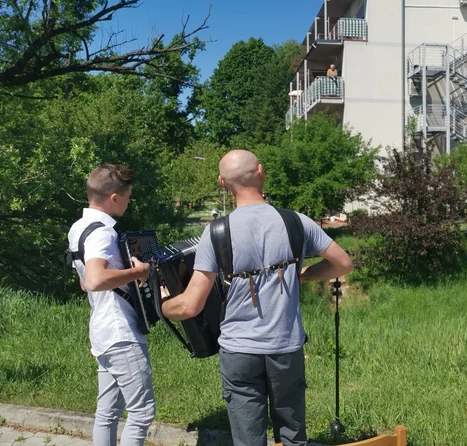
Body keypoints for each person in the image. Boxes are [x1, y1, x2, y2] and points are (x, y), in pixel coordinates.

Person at [162, 150, 354, 446]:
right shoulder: (296, 222)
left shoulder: (215, 233)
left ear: (222, 183)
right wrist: (301, 274)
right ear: (261, 172)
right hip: (285, 347)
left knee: (248, 441)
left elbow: (190, 305)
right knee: (293, 436)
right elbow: (343, 264)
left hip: (238, 351)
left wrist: (161, 305)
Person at [67, 164, 155, 446]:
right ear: (114, 197)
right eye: (128, 196)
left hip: (102, 331)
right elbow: (94, 280)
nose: (129, 202)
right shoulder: (103, 232)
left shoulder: (79, 227)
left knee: (107, 412)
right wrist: (139, 273)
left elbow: (84, 281)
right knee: (141, 413)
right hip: (121, 333)